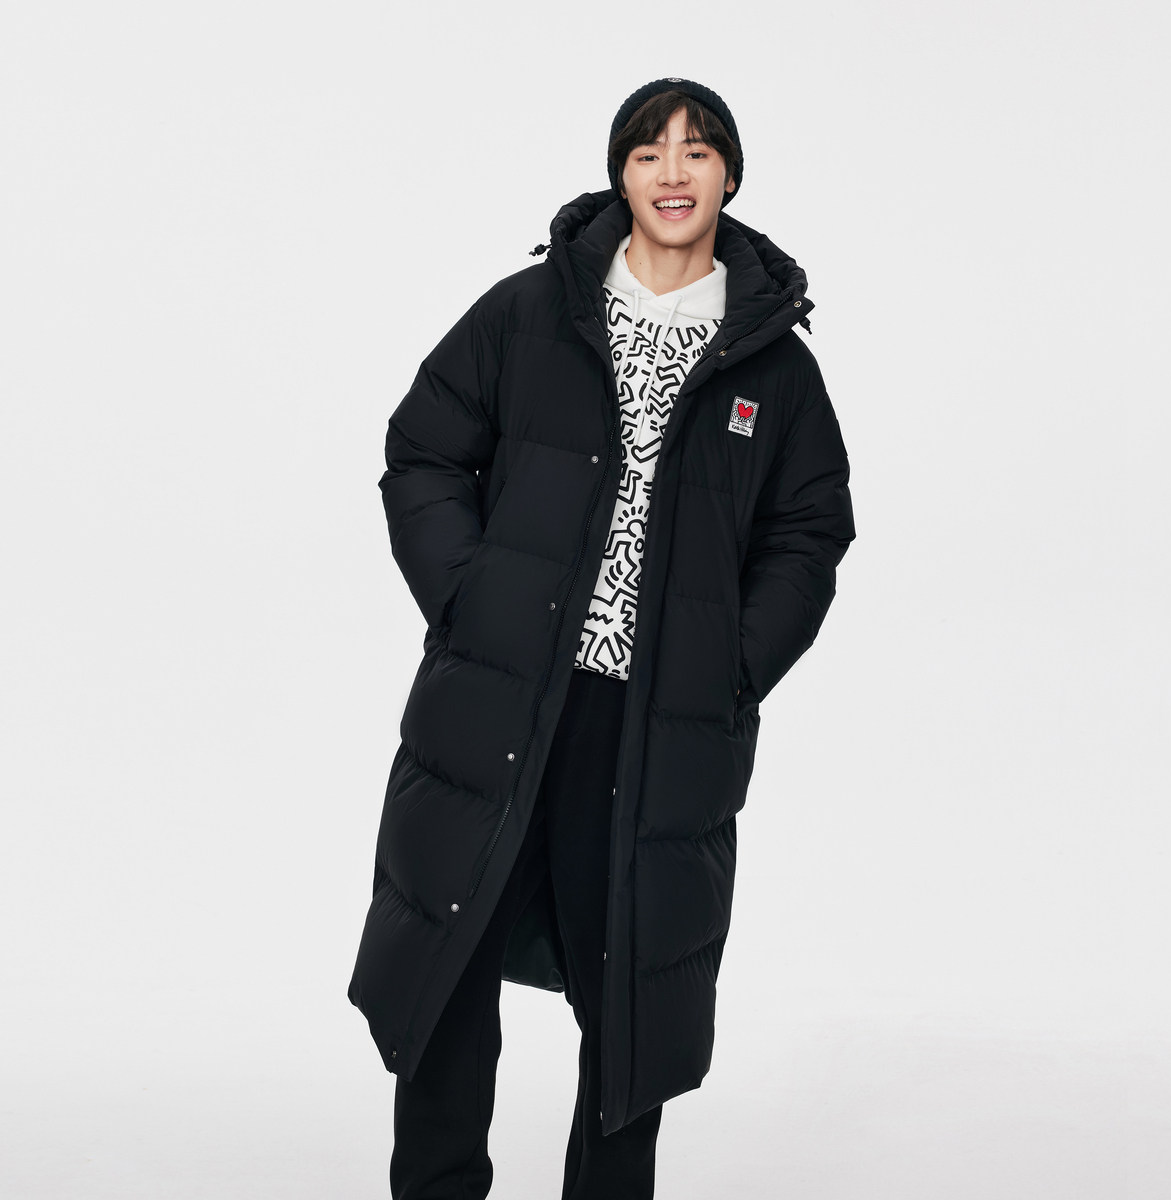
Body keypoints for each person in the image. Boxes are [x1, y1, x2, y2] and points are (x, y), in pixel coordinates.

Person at [348, 76, 857, 1199]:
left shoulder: (773, 366)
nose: (673, 173)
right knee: (449, 965)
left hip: (656, 723)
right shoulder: (531, 312)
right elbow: (423, 449)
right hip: (503, 696)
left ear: (730, 175)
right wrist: (467, 595)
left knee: (629, 997)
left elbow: (810, 531)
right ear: (620, 174)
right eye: (648, 152)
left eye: (697, 150)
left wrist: (732, 665)